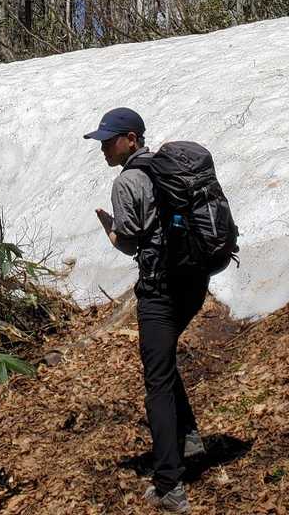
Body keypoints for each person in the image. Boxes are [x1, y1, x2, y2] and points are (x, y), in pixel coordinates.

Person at [87, 106, 207, 514]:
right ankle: (189, 438)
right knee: (164, 359)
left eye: (109, 141)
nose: (103, 148)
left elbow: (130, 242)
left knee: (156, 381)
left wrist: (110, 229)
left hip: (160, 289)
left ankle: (170, 487)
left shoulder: (127, 182)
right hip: (195, 282)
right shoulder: (172, 169)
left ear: (131, 139)